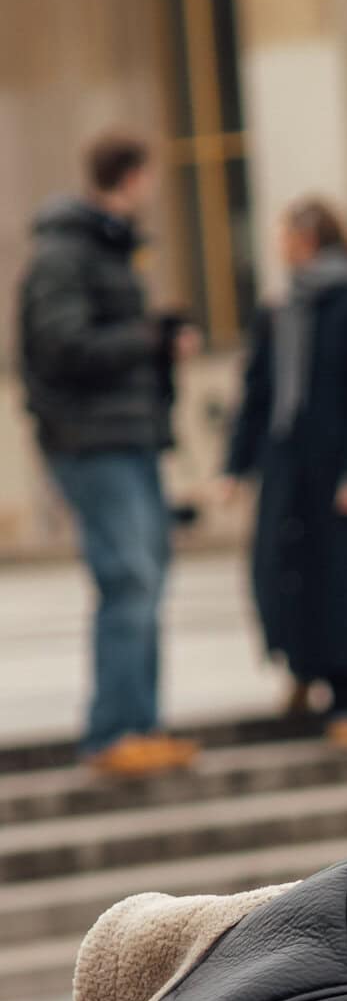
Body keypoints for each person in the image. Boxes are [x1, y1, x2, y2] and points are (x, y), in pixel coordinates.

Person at [17, 129, 202, 779]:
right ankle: (113, 731)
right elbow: (60, 346)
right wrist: (147, 337)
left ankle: (142, 726)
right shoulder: (63, 252)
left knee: (148, 578)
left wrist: (156, 343)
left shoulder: (110, 249)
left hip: (129, 436)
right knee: (128, 578)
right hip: (90, 442)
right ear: (131, 177)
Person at [219, 197, 347, 744]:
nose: (278, 246)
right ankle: (301, 670)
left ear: (309, 239)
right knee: (281, 571)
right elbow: (256, 392)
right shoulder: (278, 309)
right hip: (286, 464)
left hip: (340, 468)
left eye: (285, 236)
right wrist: (235, 465)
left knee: (343, 578)